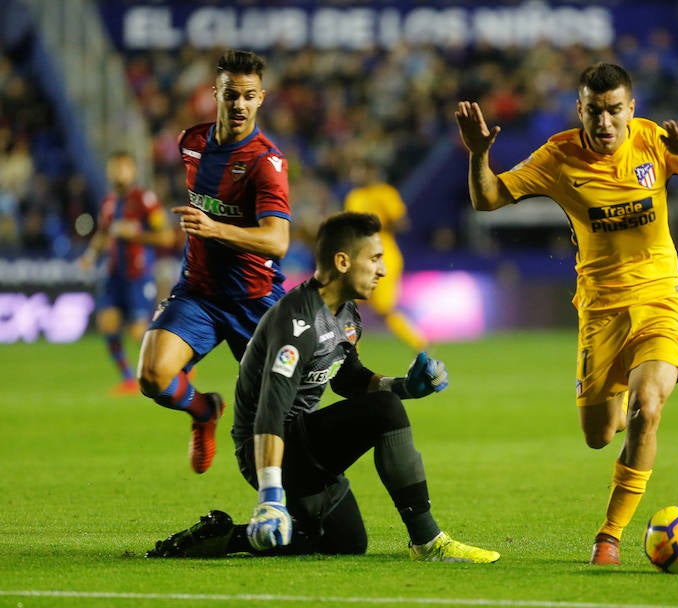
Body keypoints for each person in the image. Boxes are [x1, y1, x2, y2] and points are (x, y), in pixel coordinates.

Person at [455, 63, 678, 566]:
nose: (605, 122)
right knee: (599, 436)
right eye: (594, 111)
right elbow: (488, 199)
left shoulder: (654, 142)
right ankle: (626, 389)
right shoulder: (559, 156)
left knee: (647, 410)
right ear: (580, 110)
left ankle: (609, 536)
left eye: (614, 110)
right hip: (601, 311)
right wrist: (479, 155)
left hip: (659, 299)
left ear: (631, 109)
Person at [146, 211, 500, 563]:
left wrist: (407, 386)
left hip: (303, 449)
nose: (383, 270)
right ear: (343, 261)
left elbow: (349, 379)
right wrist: (270, 496)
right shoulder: (296, 321)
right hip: (270, 449)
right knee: (386, 412)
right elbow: (271, 410)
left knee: (345, 541)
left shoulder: (346, 313)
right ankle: (429, 542)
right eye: (375, 258)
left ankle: (224, 536)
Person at [137, 49, 291, 475]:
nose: (238, 104)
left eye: (248, 96)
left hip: (254, 301)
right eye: (230, 94)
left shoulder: (266, 162)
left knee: (278, 417)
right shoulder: (191, 143)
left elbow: (278, 242)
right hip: (199, 293)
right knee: (152, 376)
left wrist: (214, 229)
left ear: (261, 98)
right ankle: (204, 411)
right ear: (215, 93)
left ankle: (287, 504)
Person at [79, 151, 175, 395]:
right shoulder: (109, 202)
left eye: (123, 168)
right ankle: (128, 379)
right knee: (107, 322)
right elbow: (103, 233)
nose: (117, 173)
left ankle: (178, 363)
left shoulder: (145, 199)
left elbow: (166, 235)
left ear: (132, 171)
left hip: (138, 273)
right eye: (114, 167)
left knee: (137, 331)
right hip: (114, 273)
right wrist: (90, 256)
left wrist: (134, 234)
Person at [343, 160, 428, 351]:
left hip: (384, 255)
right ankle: (349, 353)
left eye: (361, 170)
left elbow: (402, 223)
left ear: (371, 172)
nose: (356, 175)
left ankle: (420, 344)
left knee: (384, 309)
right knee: (348, 305)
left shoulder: (385, 193)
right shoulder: (354, 196)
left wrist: (375, 226)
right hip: (360, 257)